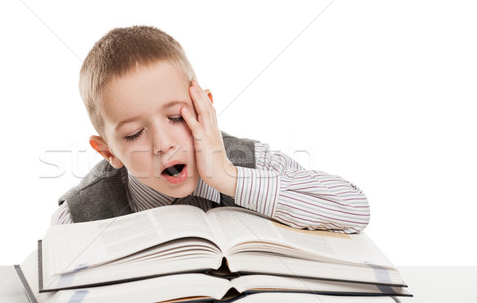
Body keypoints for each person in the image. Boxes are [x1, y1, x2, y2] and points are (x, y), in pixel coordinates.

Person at [51, 25, 370, 233]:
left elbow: (356, 211)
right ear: (108, 151)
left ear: (206, 111)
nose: (163, 144)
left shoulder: (251, 162)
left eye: (177, 117)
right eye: (134, 134)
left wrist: (228, 178)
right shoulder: (78, 217)